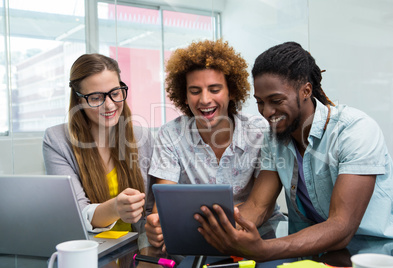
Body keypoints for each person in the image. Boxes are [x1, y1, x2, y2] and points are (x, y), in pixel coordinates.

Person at [195, 41, 393, 262]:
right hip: (310, 254)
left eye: (276, 100)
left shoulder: (355, 130)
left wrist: (264, 249)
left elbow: (341, 227)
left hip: (376, 253)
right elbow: (258, 206)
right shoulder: (273, 138)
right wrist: (219, 231)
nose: (267, 112)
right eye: (260, 102)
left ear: (305, 90)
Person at [145, 39, 284, 252]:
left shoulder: (260, 132)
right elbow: (165, 207)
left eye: (214, 88)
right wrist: (157, 225)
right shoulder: (170, 134)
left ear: (232, 91)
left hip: (255, 238)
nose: (204, 99)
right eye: (194, 90)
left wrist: (190, 220)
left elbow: (260, 207)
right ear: (184, 94)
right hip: (191, 241)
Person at [43, 53, 153, 247]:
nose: (110, 105)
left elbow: (153, 208)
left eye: (115, 93)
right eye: (96, 98)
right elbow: (75, 214)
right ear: (79, 101)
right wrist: (115, 208)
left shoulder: (143, 137)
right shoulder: (57, 141)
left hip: (138, 251)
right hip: (91, 252)